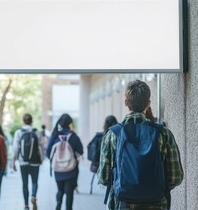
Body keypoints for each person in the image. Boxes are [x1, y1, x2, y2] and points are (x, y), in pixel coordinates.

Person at [98, 80, 184, 210]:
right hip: (157, 204)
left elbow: (103, 177)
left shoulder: (112, 134)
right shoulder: (164, 134)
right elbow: (175, 177)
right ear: (148, 104)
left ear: (126, 102)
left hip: (122, 204)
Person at [46, 113, 83, 210]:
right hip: (71, 169)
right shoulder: (73, 136)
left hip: (58, 169)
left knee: (60, 190)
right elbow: (81, 151)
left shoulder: (55, 135)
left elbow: (48, 152)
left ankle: (58, 205)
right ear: (70, 123)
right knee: (69, 193)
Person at [12, 113, 44, 210]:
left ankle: (26, 205)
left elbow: (15, 148)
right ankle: (33, 196)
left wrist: (14, 162)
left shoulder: (18, 132)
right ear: (31, 121)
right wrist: (41, 159)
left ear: (23, 121)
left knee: (25, 183)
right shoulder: (37, 132)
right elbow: (41, 147)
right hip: (35, 162)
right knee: (35, 182)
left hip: (23, 162)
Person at [87, 115, 117, 194]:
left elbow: (89, 146)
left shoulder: (99, 136)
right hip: (113, 165)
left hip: (97, 163)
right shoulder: (117, 135)